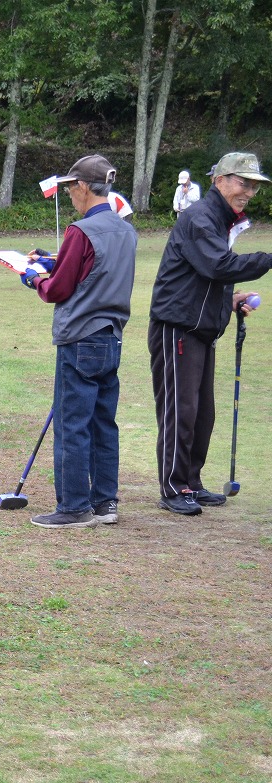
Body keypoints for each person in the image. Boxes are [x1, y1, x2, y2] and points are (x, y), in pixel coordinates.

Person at [148, 152, 271, 516]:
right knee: (181, 410)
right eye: (243, 183)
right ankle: (174, 487)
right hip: (178, 328)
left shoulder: (220, 220)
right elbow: (218, 265)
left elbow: (203, 278)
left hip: (200, 328)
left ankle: (191, 481)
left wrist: (229, 301)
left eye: (254, 186)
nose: (248, 192)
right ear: (220, 180)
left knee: (202, 414)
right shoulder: (200, 217)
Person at [23, 155, 138, 529]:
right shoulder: (126, 231)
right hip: (111, 337)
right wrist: (53, 260)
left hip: (80, 337)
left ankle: (74, 506)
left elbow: (59, 289)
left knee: (72, 423)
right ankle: (105, 502)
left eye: (71, 187)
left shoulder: (80, 231)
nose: (70, 194)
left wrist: (34, 278)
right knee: (104, 423)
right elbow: (93, 269)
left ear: (83, 187)